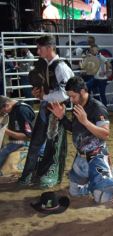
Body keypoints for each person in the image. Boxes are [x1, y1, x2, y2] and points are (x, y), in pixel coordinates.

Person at [49, 76, 113, 202]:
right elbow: (75, 129)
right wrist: (62, 117)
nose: (71, 100)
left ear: (82, 92)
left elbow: (105, 134)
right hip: (81, 158)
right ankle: (97, 182)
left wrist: (86, 122)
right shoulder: (79, 105)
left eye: (73, 96)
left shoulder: (97, 107)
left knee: (101, 199)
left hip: (96, 157)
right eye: (69, 96)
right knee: (74, 193)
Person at [19, 35, 74, 188]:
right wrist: (39, 93)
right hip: (47, 108)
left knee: (53, 146)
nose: (37, 51)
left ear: (49, 48)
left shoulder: (61, 67)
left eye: (40, 48)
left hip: (56, 112)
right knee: (36, 143)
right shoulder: (46, 65)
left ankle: (49, 176)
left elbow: (65, 93)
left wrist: (44, 95)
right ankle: (28, 175)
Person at [0, 96, 35, 175]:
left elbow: (28, 136)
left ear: (7, 105)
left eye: (2, 111)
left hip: (26, 142)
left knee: (3, 153)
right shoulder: (15, 109)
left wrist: (4, 129)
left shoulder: (22, 111)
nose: (3, 113)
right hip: (17, 142)